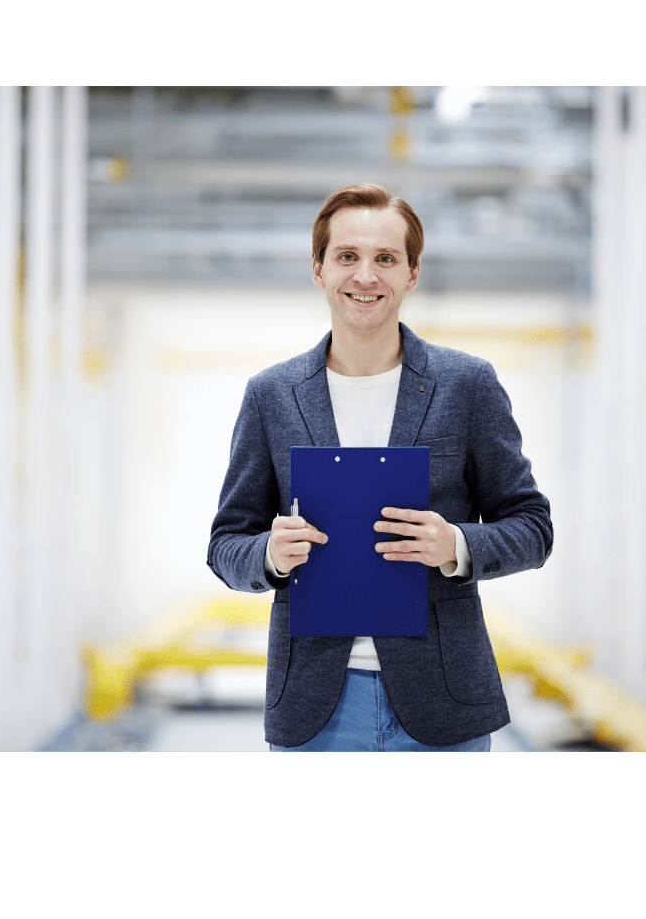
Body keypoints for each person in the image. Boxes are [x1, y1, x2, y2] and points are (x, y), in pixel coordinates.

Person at [207, 183, 553, 751]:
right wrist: (268, 554)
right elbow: (226, 543)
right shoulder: (271, 395)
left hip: (443, 702)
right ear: (319, 269)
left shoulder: (466, 386)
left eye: (386, 259)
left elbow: (533, 527)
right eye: (347, 256)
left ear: (412, 273)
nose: (365, 276)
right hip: (315, 709)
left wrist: (456, 545)